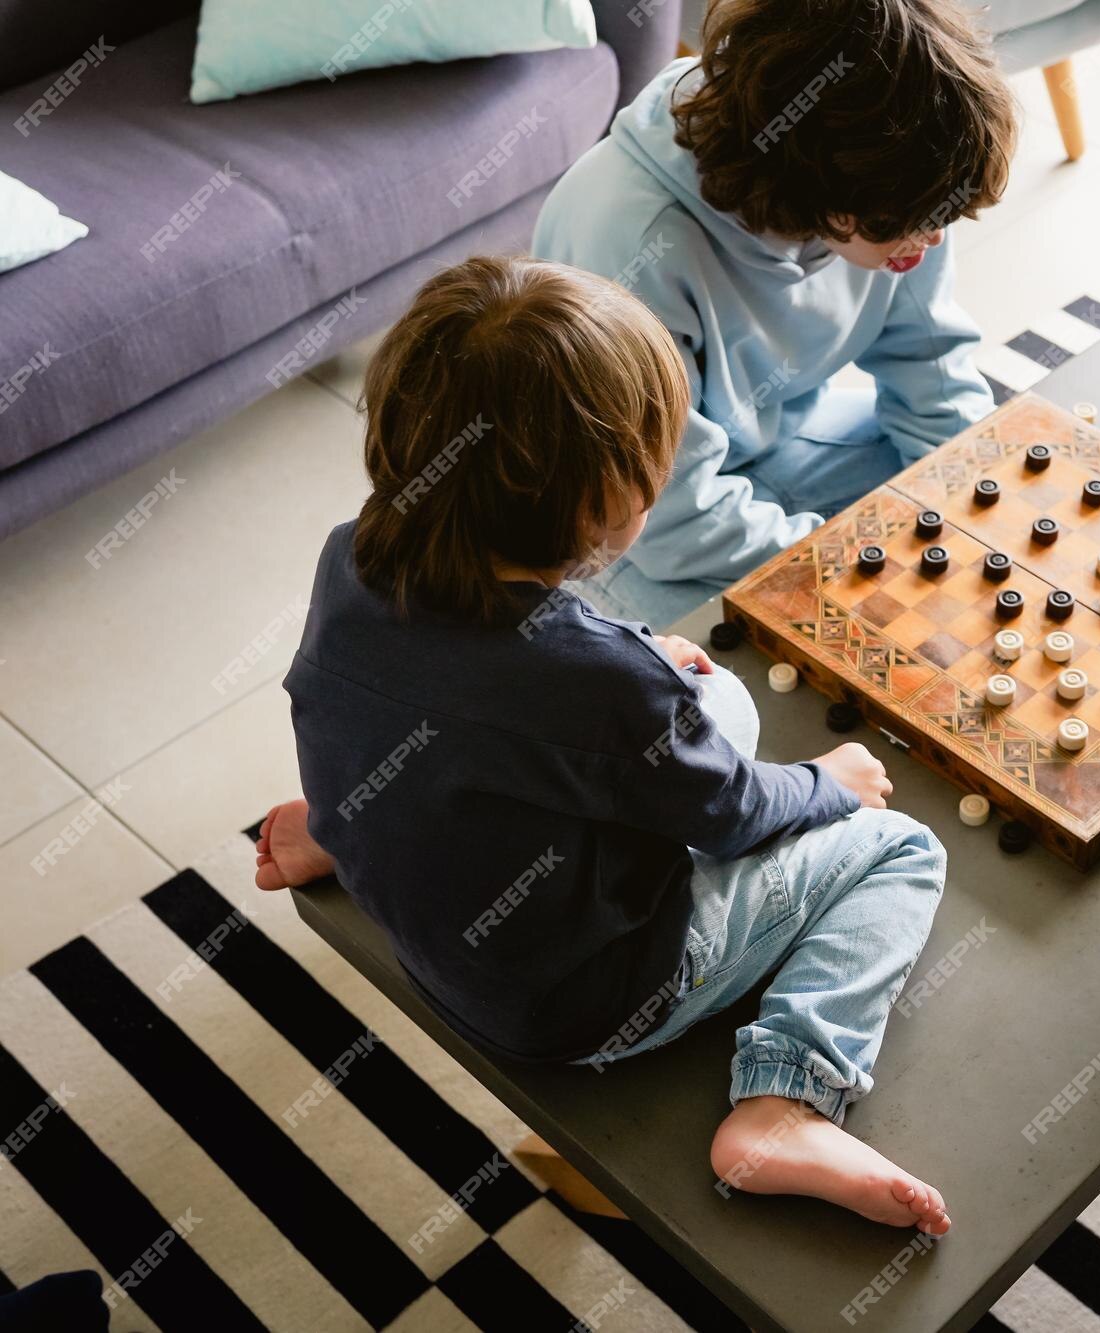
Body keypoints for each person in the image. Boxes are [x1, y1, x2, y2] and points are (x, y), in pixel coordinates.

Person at [255, 255, 951, 1233]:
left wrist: (642, 680)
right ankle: (782, 1102)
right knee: (899, 849)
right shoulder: (597, 683)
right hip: (581, 1000)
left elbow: (440, 691)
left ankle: (342, 824)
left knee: (711, 701)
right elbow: (735, 811)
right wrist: (823, 783)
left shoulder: (355, 548)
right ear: (601, 504)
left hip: (438, 911)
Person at [532, 0, 1015, 620]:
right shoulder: (627, 240)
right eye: (916, 224)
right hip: (632, 528)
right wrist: (868, 567)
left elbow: (931, 372)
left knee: (979, 483)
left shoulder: (902, 188)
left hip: (772, 448)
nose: (931, 242)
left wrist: (978, 509)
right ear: (826, 187)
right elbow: (667, 524)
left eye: (943, 218)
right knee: (715, 680)